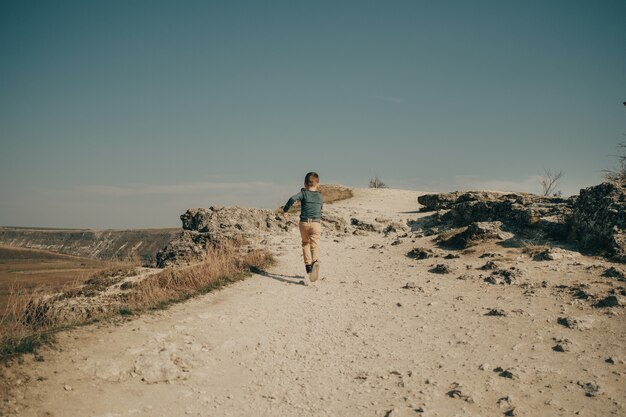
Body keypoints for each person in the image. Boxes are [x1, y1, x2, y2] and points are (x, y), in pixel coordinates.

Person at [282, 172, 323, 282]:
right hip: (316, 223)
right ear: (317, 183)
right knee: (315, 244)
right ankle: (315, 261)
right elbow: (320, 208)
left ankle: (308, 267)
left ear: (305, 184)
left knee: (305, 243)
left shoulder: (303, 193)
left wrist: (285, 210)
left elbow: (292, 198)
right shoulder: (320, 195)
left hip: (304, 223)